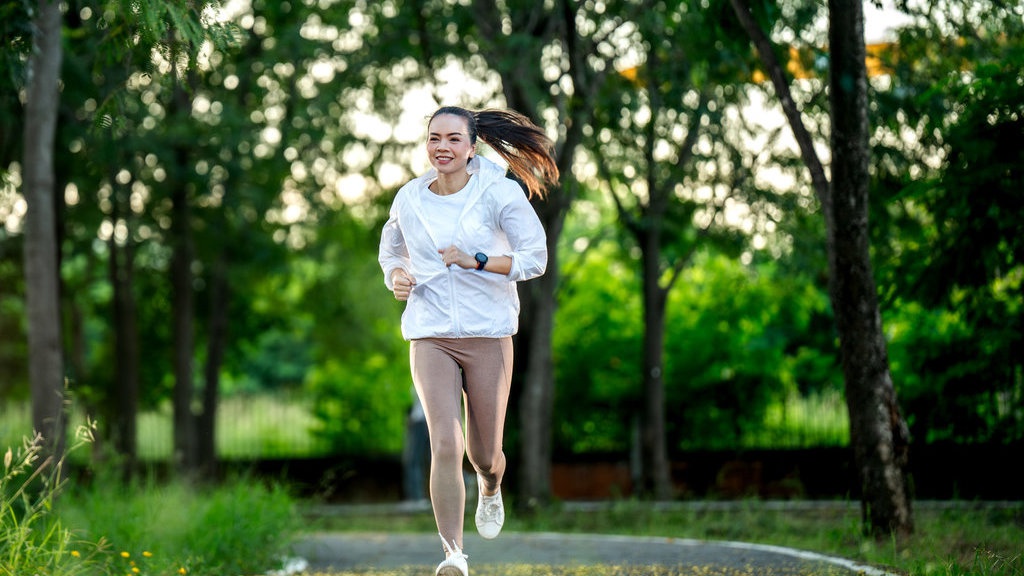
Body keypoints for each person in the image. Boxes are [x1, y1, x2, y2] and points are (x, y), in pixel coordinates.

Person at [378, 105, 559, 576]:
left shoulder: (499, 192)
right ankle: (453, 555)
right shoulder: (409, 198)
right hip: (430, 332)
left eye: (453, 139)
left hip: (488, 333)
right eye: (434, 138)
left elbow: (535, 258)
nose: (442, 147)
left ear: (472, 146)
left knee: (484, 454)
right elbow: (391, 250)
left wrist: (475, 259)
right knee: (445, 442)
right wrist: (396, 275)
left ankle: (491, 485)